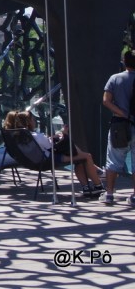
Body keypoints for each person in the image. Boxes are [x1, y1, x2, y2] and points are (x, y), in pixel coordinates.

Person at [18, 110, 102, 193]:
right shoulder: (37, 136)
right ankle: (98, 185)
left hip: (33, 161)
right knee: (87, 156)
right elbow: (52, 146)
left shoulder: (19, 137)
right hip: (49, 160)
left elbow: (44, 145)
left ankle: (87, 187)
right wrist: (64, 135)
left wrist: (53, 138)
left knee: (78, 159)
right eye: (33, 119)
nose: (35, 121)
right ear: (29, 122)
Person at [101, 50, 135, 205]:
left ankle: (109, 193)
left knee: (113, 160)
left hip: (119, 125)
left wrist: (122, 112)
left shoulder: (115, 78)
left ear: (124, 61)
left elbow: (106, 101)